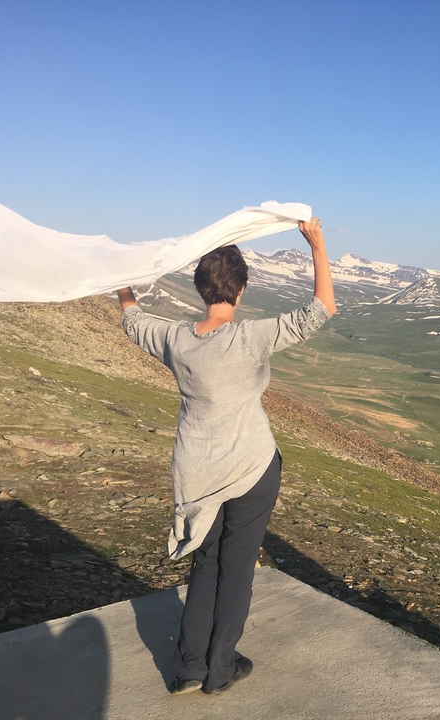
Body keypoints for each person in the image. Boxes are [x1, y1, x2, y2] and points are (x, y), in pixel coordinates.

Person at [117, 217, 336, 695]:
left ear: (200, 288)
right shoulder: (249, 337)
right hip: (251, 467)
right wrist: (317, 244)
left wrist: (122, 279)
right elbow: (321, 309)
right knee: (237, 568)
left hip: (196, 473)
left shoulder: (176, 339)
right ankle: (220, 669)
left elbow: (133, 319)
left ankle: (188, 668)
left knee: (206, 564)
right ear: (240, 291)